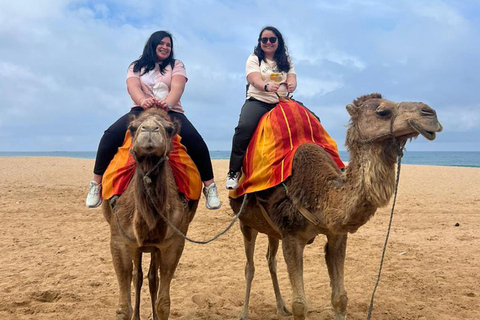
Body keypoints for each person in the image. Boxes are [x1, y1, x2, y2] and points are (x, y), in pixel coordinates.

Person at [86, 30, 221, 210]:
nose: (165, 47)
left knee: (196, 142)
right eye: (162, 43)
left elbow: (177, 87)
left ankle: (209, 186)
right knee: (109, 136)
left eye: (168, 45)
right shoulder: (136, 66)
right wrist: (143, 101)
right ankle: (96, 184)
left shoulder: (176, 65)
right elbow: (132, 86)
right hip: (140, 111)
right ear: (152, 44)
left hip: (171, 112)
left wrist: (167, 104)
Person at [226, 26, 297, 190]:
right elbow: (253, 78)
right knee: (243, 128)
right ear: (260, 42)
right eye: (264, 39)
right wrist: (265, 86)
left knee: (312, 120)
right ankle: (233, 171)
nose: (268, 42)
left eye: (272, 39)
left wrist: (292, 84)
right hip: (259, 101)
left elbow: (292, 77)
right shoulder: (254, 58)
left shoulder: (286, 60)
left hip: (282, 102)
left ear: (278, 41)